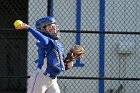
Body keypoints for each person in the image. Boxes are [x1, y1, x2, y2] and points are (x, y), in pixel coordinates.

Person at [15, 16, 74, 93]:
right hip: (41, 78)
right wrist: (28, 27)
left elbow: (57, 64)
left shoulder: (57, 45)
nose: (54, 28)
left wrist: (68, 64)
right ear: (42, 29)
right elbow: (42, 39)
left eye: (54, 26)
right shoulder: (45, 41)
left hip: (53, 79)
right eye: (50, 26)